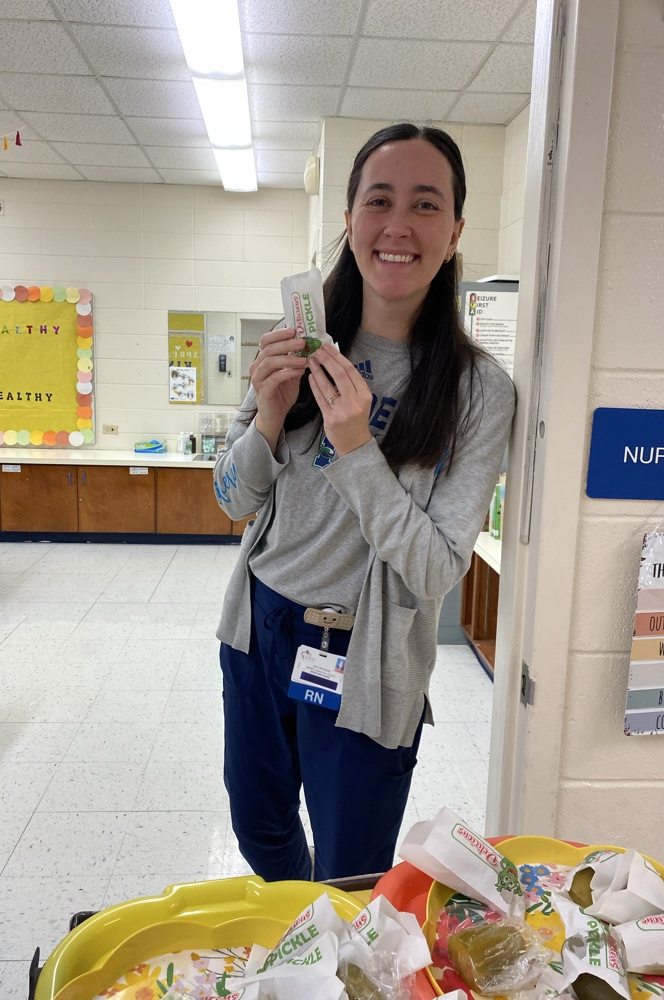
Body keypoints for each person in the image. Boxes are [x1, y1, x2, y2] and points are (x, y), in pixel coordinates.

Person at [213, 122, 516, 883]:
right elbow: (230, 498)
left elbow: (435, 568)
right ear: (349, 220)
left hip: (365, 657)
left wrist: (356, 449)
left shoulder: (480, 393)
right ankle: (301, 937)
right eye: (379, 201)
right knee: (258, 827)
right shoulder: (301, 342)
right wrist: (271, 411)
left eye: (425, 204)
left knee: (349, 875)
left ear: (454, 233)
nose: (398, 225)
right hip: (257, 628)